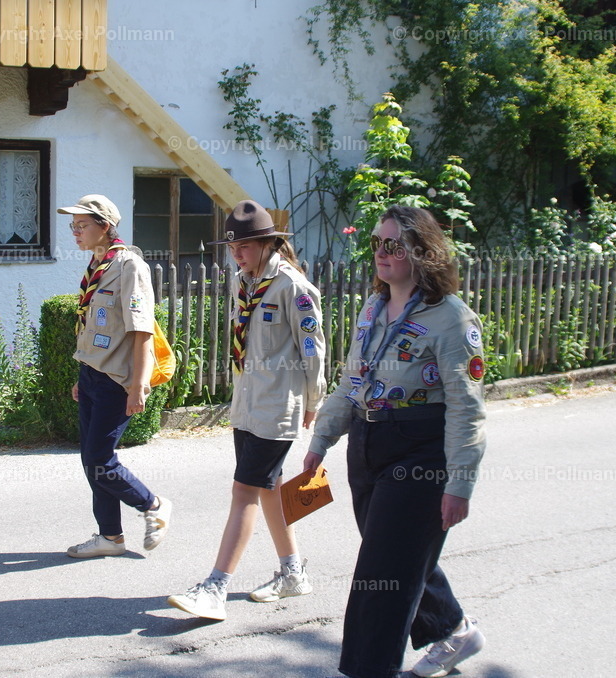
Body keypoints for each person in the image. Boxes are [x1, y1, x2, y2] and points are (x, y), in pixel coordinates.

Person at [303, 205, 487, 678]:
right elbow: (351, 379)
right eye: (376, 244)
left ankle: (367, 669)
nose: (382, 254)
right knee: (398, 556)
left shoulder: (452, 319)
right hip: (368, 442)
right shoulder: (372, 306)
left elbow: (467, 410)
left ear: (422, 253)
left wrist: (459, 484)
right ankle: (454, 629)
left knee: (378, 576)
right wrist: (320, 442)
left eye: (394, 245)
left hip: (420, 450)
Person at [166, 200, 326, 621]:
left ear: (268, 243)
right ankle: (293, 573)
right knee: (268, 487)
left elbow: (313, 350)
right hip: (248, 402)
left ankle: (215, 587)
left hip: (278, 406)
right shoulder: (243, 282)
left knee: (244, 491)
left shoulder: (293, 286)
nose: (236, 253)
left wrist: (313, 402)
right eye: (231, 246)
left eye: (244, 246)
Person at [60, 194, 172, 558]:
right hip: (92, 373)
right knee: (90, 460)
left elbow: (140, 331)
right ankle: (110, 537)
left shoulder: (129, 267)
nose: (75, 232)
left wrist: (138, 385)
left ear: (104, 227)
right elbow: (93, 325)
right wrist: (82, 371)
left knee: (99, 459)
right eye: (73, 227)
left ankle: (152, 505)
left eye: (82, 226)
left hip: (116, 380)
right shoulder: (98, 265)